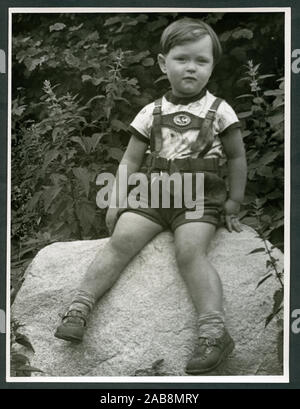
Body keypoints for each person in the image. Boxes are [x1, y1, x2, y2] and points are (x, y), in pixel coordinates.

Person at [54, 17, 247, 375]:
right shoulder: (151, 111)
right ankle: (79, 307)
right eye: (182, 59)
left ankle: (213, 332)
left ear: (212, 67)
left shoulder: (219, 111)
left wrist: (234, 201)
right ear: (163, 63)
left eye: (201, 61)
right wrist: (116, 198)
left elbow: (236, 157)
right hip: (153, 194)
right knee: (119, 241)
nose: (191, 67)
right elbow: (130, 159)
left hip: (198, 199)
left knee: (189, 252)